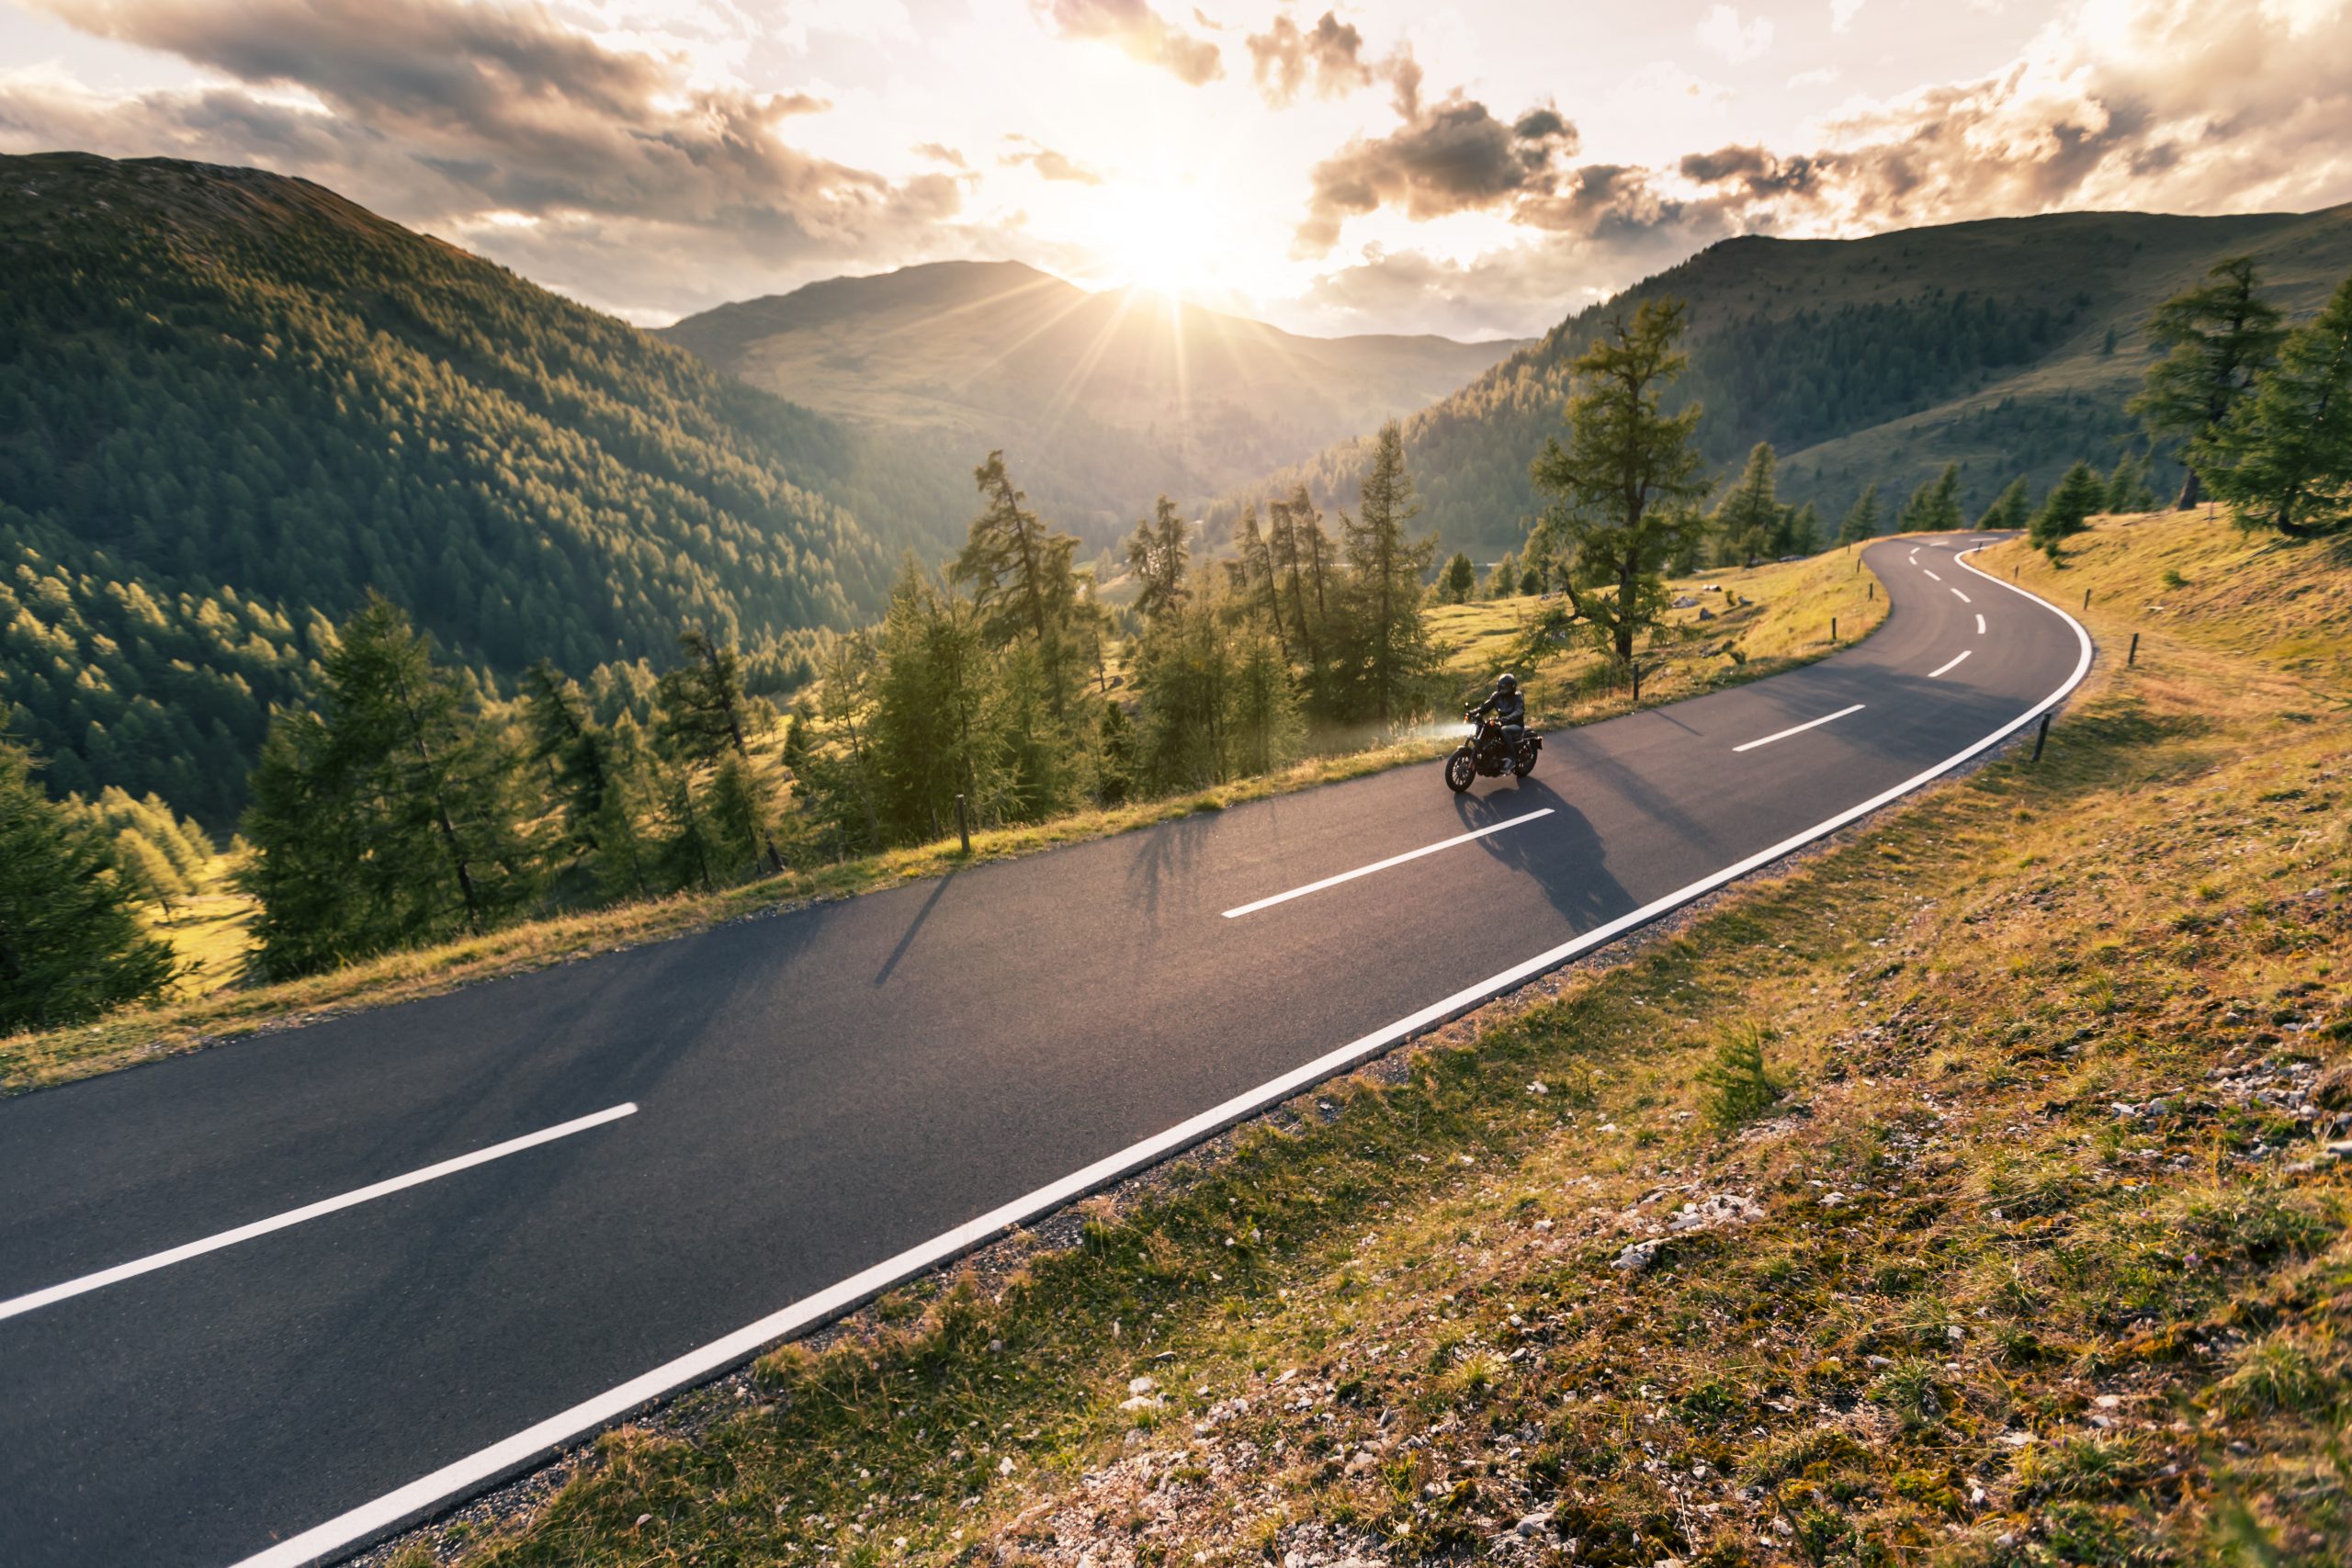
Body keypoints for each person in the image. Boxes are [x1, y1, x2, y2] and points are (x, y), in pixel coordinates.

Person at [1476, 672, 1525, 760]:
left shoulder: (1518, 696)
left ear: (1512, 687)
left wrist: (1507, 718)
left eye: (1506, 687)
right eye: (1502, 687)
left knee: (1505, 730)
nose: (1504, 689)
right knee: (1485, 729)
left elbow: (1519, 711)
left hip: (1516, 724)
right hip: (1502, 722)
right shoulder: (1496, 696)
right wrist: (1473, 712)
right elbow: (1485, 706)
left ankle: (1511, 757)